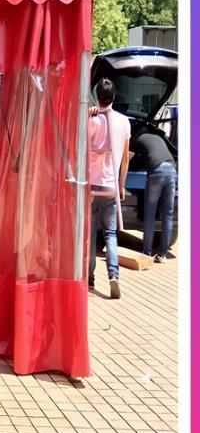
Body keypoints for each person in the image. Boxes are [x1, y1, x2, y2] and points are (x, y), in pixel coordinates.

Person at [88, 79, 130, 298]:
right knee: (110, 233)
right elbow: (126, 159)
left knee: (89, 234)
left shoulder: (92, 120)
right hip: (111, 184)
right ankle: (113, 274)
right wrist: (121, 185)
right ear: (114, 96)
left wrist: (88, 115)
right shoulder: (124, 122)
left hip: (92, 185)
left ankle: (89, 277)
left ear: (97, 96)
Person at [132, 128, 177, 262]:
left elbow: (131, 160)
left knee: (150, 214)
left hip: (157, 171)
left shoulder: (138, 140)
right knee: (168, 214)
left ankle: (147, 252)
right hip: (172, 169)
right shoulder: (159, 138)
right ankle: (162, 254)